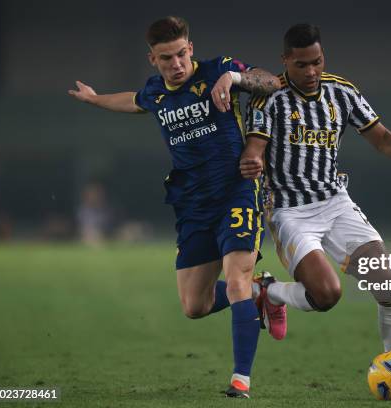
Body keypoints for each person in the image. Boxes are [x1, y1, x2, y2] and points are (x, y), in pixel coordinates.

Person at [68, 16, 283, 398]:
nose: (177, 64)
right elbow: (133, 102)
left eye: (182, 54)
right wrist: (95, 99)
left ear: (191, 49)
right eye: (166, 58)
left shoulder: (219, 69)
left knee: (234, 281)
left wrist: (234, 80)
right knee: (194, 305)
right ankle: (260, 293)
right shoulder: (156, 92)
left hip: (237, 190)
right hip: (192, 205)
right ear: (153, 59)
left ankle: (241, 380)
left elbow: (271, 82)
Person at [240, 23, 391, 397]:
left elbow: (382, 139)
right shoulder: (269, 99)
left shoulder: (341, 91)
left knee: (389, 286)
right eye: (302, 65)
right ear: (285, 62)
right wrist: (252, 162)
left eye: (317, 62)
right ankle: (271, 293)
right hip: (290, 212)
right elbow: (255, 148)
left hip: (335, 203)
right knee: (327, 295)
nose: (312, 72)